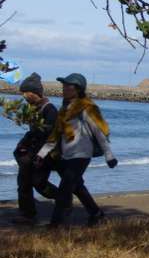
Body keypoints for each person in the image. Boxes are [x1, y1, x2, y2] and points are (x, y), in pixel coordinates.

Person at [36, 73, 117, 227]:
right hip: (66, 155)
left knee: (65, 189)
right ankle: (96, 214)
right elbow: (55, 135)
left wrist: (109, 155)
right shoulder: (64, 110)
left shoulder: (86, 108)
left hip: (81, 155)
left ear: (78, 89)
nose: (64, 88)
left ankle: (56, 224)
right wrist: (41, 154)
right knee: (77, 187)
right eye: (64, 85)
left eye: (68, 86)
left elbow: (99, 132)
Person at [12, 73, 59, 225]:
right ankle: (27, 214)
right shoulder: (32, 109)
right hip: (30, 154)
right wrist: (22, 144)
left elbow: (52, 138)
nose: (23, 96)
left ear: (34, 93)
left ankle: (62, 198)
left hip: (44, 155)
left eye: (25, 92)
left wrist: (41, 156)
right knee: (23, 183)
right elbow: (32, 132)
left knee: (39, 183)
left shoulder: (50, 110)